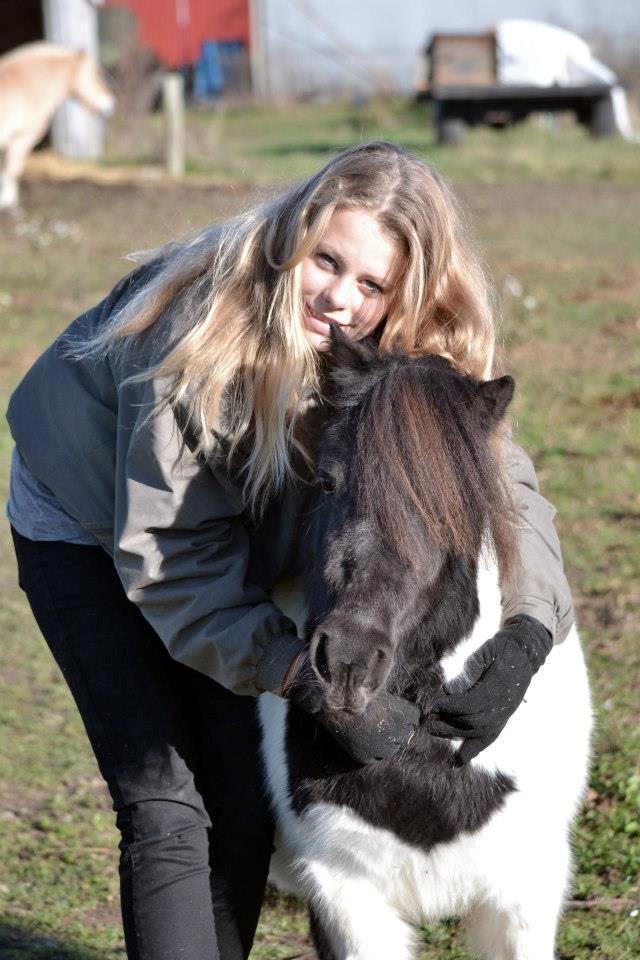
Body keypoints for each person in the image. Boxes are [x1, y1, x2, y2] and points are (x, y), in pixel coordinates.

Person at [6, 141, 574, 959]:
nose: (341, 297)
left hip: (240, 520)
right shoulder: (196, 334)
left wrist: (528, 632)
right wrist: (305, 678)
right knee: (167, 803)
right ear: (294, 236)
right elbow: (176, 562)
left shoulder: (419, 336)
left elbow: (504, 487)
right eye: (326, 261)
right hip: (90, 523)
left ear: (403, 291)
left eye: (371, 283)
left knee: (243, 798)